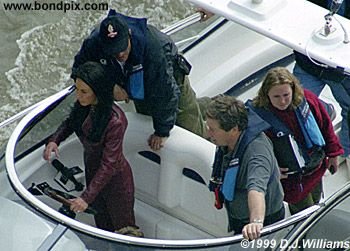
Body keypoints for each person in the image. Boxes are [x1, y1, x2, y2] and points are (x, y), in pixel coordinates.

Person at [72, 9, 207, 151]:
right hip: (133, 84)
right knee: (147, 120)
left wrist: (162, 132)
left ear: (129, 35)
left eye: (122, 48)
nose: (120, 54)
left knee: (191, 127)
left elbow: (166, 94)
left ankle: (211, 111)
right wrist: (109, 86)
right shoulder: (94, 43)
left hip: (167, 80)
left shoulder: (154, 51)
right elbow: (79, 70)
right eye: (114, 51)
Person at [43, 62, 142, 236]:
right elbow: (70, 123)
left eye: (83, 92)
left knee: (124, 231)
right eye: (76, 89)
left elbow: (109, 164)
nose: (78, 96)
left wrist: (86, 197)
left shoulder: (115, 121)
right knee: (102, 227)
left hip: (116, 184)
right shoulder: (84, 107)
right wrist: (54, 140)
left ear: (97, 91)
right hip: (93, 174)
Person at [248, 67, 344, 214]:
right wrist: (271, 169)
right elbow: (252, 149)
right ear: (266, 95)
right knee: (303, 214)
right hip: (292, 180)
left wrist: (333, 154)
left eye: (286, 95)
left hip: (315, 168)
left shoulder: (309, 100)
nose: (282, 101)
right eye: (276, 97)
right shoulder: (258, 117)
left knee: (316, 204)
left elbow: (326, 127)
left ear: (293, 90)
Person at [206, 95, 285, 240]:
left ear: (234, 129)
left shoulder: (257, 153)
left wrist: (255, 222)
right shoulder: (227, 141)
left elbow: (257, 189)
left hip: (264, 225)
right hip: (237, 217)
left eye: (212, 129)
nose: (208, 133)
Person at [293, 0, 350, 156]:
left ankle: (344, 153)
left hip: (340, 70)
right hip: (309, 63)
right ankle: (324, 110)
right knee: (293, 104)